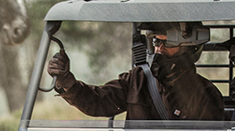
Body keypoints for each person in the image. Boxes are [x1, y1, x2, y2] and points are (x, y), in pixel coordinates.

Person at [46, 22, 224, 121]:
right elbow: (98, 102)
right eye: (156, 42)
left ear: (189, 48)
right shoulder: (137, 80)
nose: (159, 49)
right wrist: (67, 82)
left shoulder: (206, 94)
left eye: (167, 43)